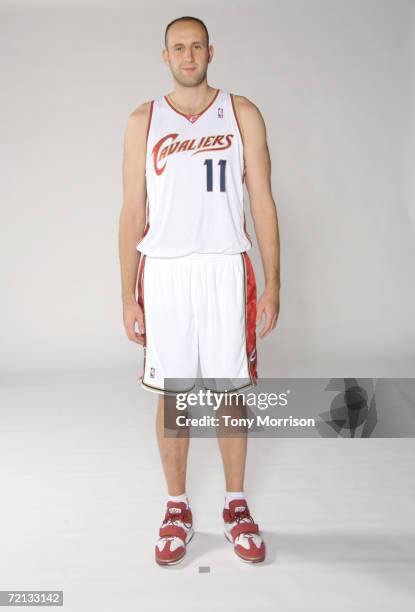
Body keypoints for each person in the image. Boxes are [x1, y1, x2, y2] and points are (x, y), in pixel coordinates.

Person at [119, 15, 280, 566]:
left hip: (223, 268)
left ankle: (236, 505)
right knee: (175, 396)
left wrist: (274, 281)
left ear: (211, 51)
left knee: (230, 393)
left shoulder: (242, 113)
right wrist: (125, 292)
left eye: (196, 47)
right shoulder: (144, 120)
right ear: (164, 56)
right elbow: (132, 211)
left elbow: (262, 201)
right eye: (177, 48)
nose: (188, 56)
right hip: (163, 271)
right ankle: (177, 507)